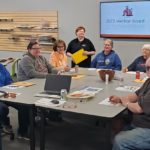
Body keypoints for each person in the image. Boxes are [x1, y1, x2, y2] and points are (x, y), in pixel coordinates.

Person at [110, 57, 150, 150]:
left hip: (147, 127)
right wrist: (120, 99)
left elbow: (139, 108)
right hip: (140, 122)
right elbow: (136, 94)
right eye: (146, 68)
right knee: (115, 122)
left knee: (120, 140)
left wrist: (126, 103)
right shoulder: (148, 81)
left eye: (149, 68)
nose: (147, 71)